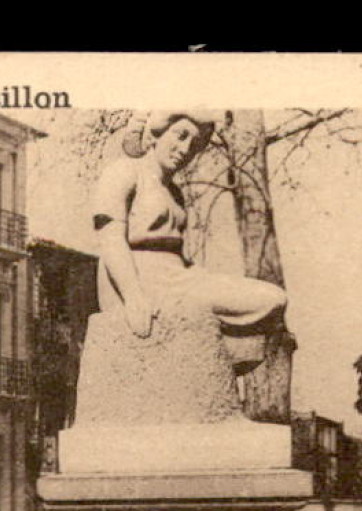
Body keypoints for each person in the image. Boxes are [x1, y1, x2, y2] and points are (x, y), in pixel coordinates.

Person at [92, 110, 289, 342]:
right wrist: (133, 297)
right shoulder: (124, 172)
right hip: (139, 279)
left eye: (194, 144)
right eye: (180, 135)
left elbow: (177, 256)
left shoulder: (174, 193)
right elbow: (110, 240)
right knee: (266, 300)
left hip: (178, 277)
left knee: (272, 299)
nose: (185, 149)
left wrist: (202, 277)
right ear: (156, 133)